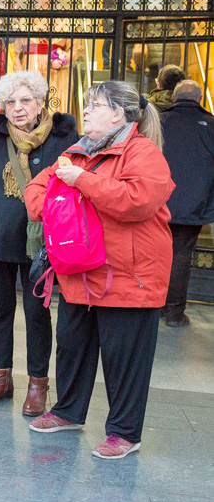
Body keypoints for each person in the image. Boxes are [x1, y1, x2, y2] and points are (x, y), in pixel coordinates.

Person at [25, 80, 173, 460]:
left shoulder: (143, 152)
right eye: (87, 104)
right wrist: (70, 195)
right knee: (72, 347)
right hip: (79, 271)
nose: (86, 111)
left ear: (119, 114)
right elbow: (36, 195)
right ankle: (68, 411)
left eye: (95, 105)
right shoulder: (75, 152)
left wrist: (82, 185)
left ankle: (125, 432)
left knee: (124, 359)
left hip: (130, 275)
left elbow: (137, 202)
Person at [0, 70, 79, 416]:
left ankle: (38, 384)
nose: (18, 108)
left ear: (39, 102)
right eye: (10, 102)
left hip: (43, 242)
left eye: (25, 100)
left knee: (37, 313)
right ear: (2, 107)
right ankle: (1, 379)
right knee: (0, 309)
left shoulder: (63, 138)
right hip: (2, 236)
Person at [160, 80, 214, 327]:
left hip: (158, 201)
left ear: (173, 98)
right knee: (181, 257)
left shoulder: (159, 121)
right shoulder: (210, 124)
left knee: (156, 254)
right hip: (194, 204)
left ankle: (155, 306)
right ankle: (174, 313)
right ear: (199, 99)